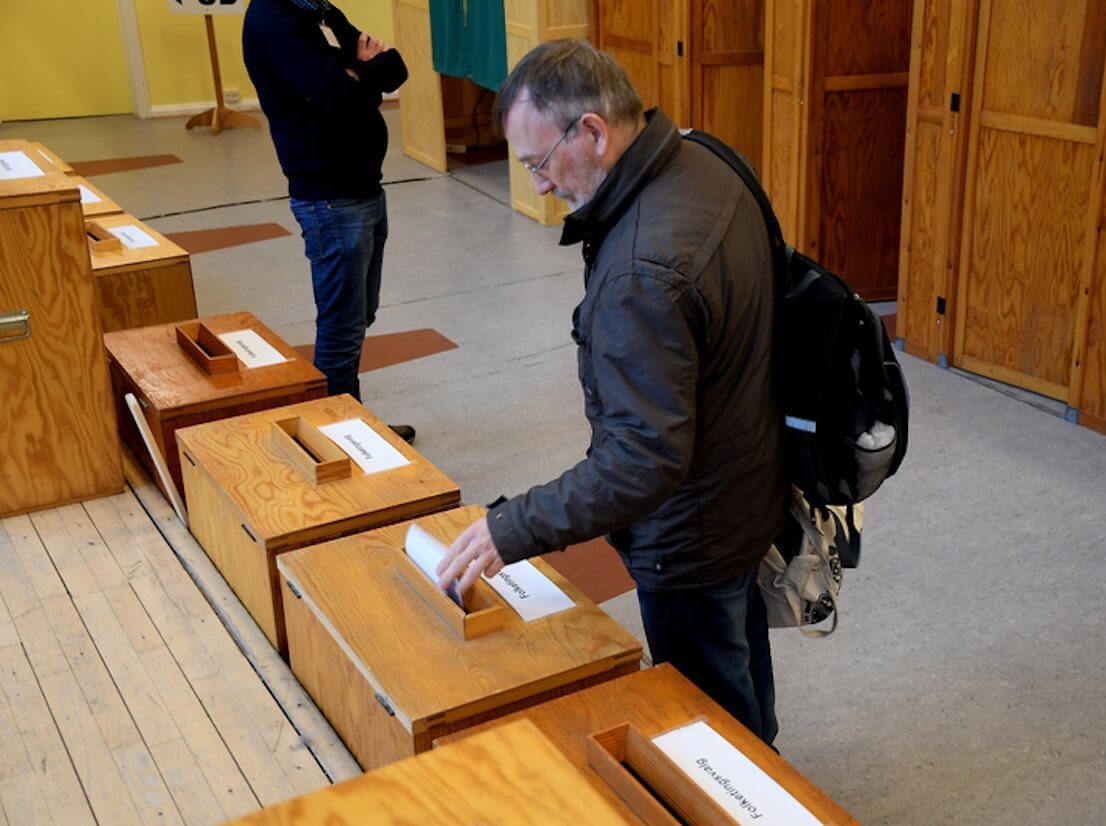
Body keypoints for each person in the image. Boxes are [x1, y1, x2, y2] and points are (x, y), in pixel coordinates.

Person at [436, 39, 786, 745]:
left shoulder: (640, 273)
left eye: (538, 162)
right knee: (738, 653)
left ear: (593, 132)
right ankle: (765, 758)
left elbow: (642, 462)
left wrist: (513, 528)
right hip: (747, 483)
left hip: (689, 532)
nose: (537, 185)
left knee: (707, 722)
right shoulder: (706, 161)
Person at [242, 0, 414, 440]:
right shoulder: (275, 17)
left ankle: (348, 421)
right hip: (331, 199)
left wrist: (358, 75)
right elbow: (341, 99)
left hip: (362, 190)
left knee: (359, 317)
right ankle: (338, 438)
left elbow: (395, 69)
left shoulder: (316, 11)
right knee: (341, 329)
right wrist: (355, 74)